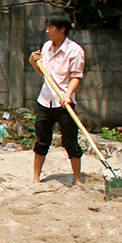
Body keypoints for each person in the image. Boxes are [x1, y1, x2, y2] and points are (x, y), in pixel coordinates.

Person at [29, 11, 85, 186]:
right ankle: (36, 177)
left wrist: (67, 96)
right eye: (47, 27)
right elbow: (44, 74)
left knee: (70, 142)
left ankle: (77, 178)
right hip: (45, 100)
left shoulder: (75, 51)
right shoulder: (46, 47)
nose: (47, 31)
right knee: (41, 140)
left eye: (51, 28)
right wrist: (33, 62)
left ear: (62, 29)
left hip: (64, 103)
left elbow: (76, 77)